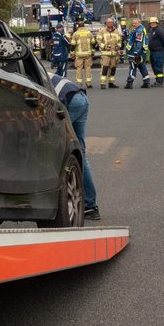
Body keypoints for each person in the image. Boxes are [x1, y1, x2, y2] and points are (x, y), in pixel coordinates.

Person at [50, 73, 99, 220]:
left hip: (69, 101)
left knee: (58, 151)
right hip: (80, 97)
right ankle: (91, 207)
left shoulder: (24, 77)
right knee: (81, 154)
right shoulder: (40, 70)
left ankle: (59, 202)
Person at [96, 18, 122, 89]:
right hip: (105, 54)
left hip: (113, 54)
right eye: (108, 22)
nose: (110, 24)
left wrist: (118, 46)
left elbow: (120, 41)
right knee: (104, 68)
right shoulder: (102, 31)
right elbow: (98, 40)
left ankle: (111, 83)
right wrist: (104, 47)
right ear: (106, 23)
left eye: (111, 22)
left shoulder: (116, 31)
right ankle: (103, 83)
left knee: (113, 68)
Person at [124, 18, 150, 89]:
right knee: (142, 66)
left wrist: (136, 53)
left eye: (135, 23)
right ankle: (146, 82)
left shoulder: (139, 31)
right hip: (141, 52)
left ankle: (129, 82)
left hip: (135, 53)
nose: (134, 24)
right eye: (133, 23)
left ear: (140, 23)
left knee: (133, 67)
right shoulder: (141, 29)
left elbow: (139, 43)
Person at [71, 19, 96, 89]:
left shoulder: (75, 34)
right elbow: (93, 43)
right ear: (84, 26)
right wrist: (93, 52)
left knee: (79, 69)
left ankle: (79, 84)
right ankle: (89, 83)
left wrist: (72, 54)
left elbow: (73, 45)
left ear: (78, 26)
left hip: (79, 55)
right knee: (88, 68)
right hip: (88, 54)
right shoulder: (89, 33)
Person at [147, 16, 164, 86]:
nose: (152, 24)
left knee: (158, 65)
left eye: (154, 23)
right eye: (151, 23)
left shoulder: (159, 30)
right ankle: (157, 79)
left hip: (158, 51)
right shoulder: (151, 30)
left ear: (157, 23)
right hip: (152, 51)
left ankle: (160, 81)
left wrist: (161, 47)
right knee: (154, 66)